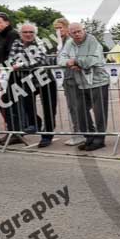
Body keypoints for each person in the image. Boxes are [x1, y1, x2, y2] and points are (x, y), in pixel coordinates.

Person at [58, 22, 109, 151]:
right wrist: (70, 63)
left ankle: (100, 139)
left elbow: (91, 60)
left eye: (79, 31)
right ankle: (90, 137)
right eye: (74, 32)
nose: (77, 34)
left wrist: (75, 61)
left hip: (98, 82)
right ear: (70, 33)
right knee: (80, 111)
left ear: (84, 30)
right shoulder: (69, 43)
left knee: (100, 113)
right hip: (80, 83)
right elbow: (60, 59)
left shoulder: (92, 41)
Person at [8, 22, 53, 148]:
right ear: (20, 33)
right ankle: (34, 124)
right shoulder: (16, 43)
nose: (28, 34)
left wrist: (22, 65)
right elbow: (11, 60)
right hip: (27, 79)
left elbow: (40, 60)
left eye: (31, 32)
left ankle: (47, 136)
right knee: (27, 103)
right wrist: (20, 63)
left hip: (44, 79)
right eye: (25, 32)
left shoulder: (40, 43)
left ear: (35, 33)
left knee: (48, 109)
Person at [0, 12, 24, 145]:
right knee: (7, 101)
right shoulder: (1, 36)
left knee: (9, 102)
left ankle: (15, 132)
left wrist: (0, 66)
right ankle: (13, 131)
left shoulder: (12, 35)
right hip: (5, 74)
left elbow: (11, 56)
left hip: (14, 75)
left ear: (7, 22)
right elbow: (1, 57)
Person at [52, 18, 83, 146]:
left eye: (60, 28)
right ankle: (81, 132)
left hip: (73, 78)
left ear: (66, 28)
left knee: (76, 107)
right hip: (68, 78)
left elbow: (68, 59)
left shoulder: (70, 42)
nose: (58, 31)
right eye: (56, 29)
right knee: (73, 107)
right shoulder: (61, 42)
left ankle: (80, 133)